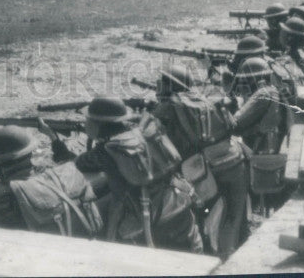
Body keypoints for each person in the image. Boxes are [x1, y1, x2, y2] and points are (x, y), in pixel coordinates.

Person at [53, 95, 203, 254]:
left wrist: (54, 140)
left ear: (98, 124)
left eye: (88, 119)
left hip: (150, 224)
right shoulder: (141, 133)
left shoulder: (106, 151)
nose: (85, 122)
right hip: (179, 209)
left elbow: (74, 165)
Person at [152, 66, 250, 257]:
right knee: (234, 216)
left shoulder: (167, 108)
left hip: (202, 171)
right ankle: (237, 252)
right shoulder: (204, 99)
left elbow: (155, 139)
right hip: (233, 159)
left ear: (167, 85)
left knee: (202, 217)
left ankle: (218, 259)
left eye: (161, 82)